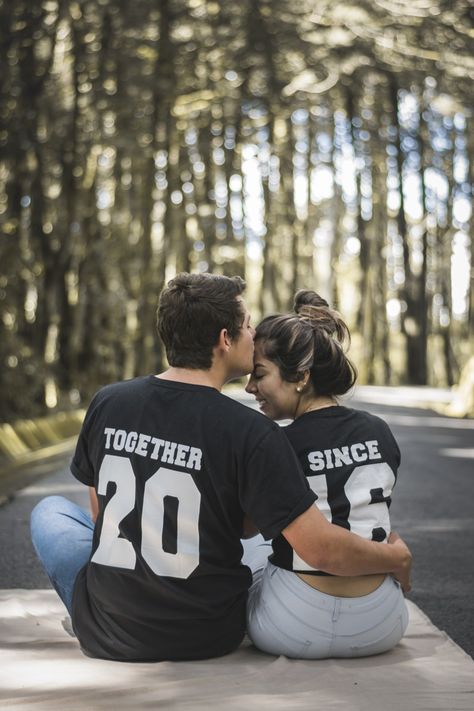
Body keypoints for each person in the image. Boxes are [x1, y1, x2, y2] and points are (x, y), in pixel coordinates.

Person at [30, 273, 411, 662]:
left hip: (108, 630)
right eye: (247, 326)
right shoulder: (252, 430)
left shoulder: (108, 401)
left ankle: (94, 609)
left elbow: (103, 515)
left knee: (50, 512)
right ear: (225, 339)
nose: (252, 334)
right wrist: (395, 557)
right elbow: (278, 537)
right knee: (265, 541)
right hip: (211, 633)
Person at [244, 289, 409, 659]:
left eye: (259, 375)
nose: (249, 387)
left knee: (249, 541)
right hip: (382, 624)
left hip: (292, 625)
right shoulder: (379, 429)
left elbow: (245, 527)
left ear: (301, 376)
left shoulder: (277, 442)